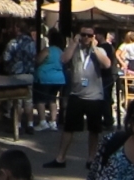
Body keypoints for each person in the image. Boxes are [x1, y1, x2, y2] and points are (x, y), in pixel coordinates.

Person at [44, 25, 112, 169]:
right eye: (83, 35)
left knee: (94, 130)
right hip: (76, 95)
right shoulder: (75, 50)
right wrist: (74, 43)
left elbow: (107, 64)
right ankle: (60, 158)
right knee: (69, 128)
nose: (86, 38)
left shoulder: (99, 50)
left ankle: (91, 158)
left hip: (94, 97)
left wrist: (93, 48)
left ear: (94, 37)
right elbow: (64, 59)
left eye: (89, 35)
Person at [2, 21, 37, 134]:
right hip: (29, 74)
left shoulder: (13, 43)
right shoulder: (32, 42)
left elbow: (6, 58)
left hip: (16, 74)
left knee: (17, 101)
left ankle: (17, 125)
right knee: (28, 100)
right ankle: (30, 124)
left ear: (17, 29)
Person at [33, 28, 65, 131]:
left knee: (40, 100)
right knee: (52, 100)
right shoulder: (61, 51)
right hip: (58, 79)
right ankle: (53, 122)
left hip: (45, 77)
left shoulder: (47, 50)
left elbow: (38, 60)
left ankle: (43, 121)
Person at [94, 28, 118, 128]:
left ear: (100, 35)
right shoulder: (109, 46)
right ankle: (107, 119)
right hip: (108, 75)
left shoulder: (103, 47)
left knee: (105, 99)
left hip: (105, 75)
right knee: (105, 98)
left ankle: (107, 120)